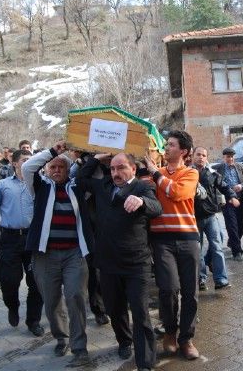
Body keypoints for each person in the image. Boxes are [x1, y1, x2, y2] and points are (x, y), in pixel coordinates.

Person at [77, 152, 162, 371]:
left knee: (141, 312)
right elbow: (81, 179)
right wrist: (97, 158)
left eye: (121, 168)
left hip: (136, 264)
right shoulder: (103, 185)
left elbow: (156, 208)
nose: (116, 173)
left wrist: (141, 202)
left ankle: (145, 362)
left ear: (133, 169)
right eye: (113, 168)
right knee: (115, 309)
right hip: (107, 263)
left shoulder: (142, 188)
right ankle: (124, 341)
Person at [22, 141, 93, 366]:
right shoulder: (40, 188)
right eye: (52, 167)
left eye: (60, 167)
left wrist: (87, 155)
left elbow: (90, 169)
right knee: (51, 301)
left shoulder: (77, 187)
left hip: (74, 253)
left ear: (67, 169)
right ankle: (61, 338)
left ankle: (79, 347)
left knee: (75, 297)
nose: (56, 171)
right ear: (46, 170)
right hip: (46, 256)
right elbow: (27, 168)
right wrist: (54, 151)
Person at [144, 130, 201, 360]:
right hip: (161, 240)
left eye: (171, 145)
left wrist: (155, 174)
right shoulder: (152, 175)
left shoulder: (191, 173)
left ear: (184, 151)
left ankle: (186, 339)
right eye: (165, 145)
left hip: (188, 239)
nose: (166, 148)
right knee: (168, 289)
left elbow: (177, 192)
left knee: (191, 292)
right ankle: (170, 333)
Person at [0, 149, 44, 337]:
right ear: (14, 163)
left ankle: (34, 320)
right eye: (24, 160)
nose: (29, 163)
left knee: (36, 281)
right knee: (9, 280)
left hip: (32, 238)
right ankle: (12, 306)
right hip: (10, 238)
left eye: (31, 160)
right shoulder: (3, 185)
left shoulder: (40, 184)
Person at [68, 149, 109, 327]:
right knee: (95, 269)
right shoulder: (81, 166)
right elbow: (79, 181)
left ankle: (112, 301)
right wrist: (92, 160)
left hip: (109, 222)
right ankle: (98, 308)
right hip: (90, 221)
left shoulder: (111, 166)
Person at [192, 147, 238, 291]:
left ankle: (221, 280)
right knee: (197, 250)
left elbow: (224, 186)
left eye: (203, 155)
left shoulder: (212, 173)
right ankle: (201, 279)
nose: (201, 157)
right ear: (193, 156)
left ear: (207, 158)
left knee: (217, 247)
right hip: (193, 218)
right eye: (198, 154)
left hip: (211, 216)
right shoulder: (187, 173)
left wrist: (232, 197)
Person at [212, 147, 243, 261]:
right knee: (232, 226)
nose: (231, 159)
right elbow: (214, 183)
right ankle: (237, 252)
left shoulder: (241, 167)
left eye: (232, 156)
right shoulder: (219, 168)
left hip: (242, 200)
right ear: (224, 158)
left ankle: (232, 241)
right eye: (228, 157)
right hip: (228, 201)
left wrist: (241, 186)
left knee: (242, 225)